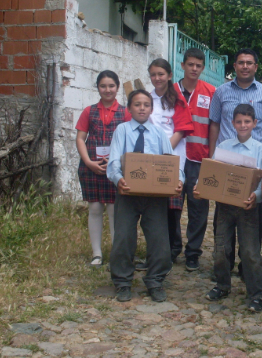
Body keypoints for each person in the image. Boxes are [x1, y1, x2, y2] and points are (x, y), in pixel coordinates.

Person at [209, 48, 262, 272]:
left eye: (249, 63)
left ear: (256, 67)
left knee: (252, 213)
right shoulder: (220, 92)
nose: (245, 66)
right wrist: (212, 157)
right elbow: (214, 124)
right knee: (223, 215)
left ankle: (247, 265)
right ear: (234, 66)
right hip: (226, 161)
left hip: (254, 161)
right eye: (241, 62)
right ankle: (223, 262)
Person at [107, 89, 184, 303]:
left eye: (146, 105)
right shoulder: (122, 130)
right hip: (127, 192)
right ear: (129, 108)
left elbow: (170, 161)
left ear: (151, 109)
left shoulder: (159, 133)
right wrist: (117, 179)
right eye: (137, 104)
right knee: (123, 237)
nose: (142, 108)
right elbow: (114, 160)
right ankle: (123, 282)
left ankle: (155, 280)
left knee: (159, 239)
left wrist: (179, 180)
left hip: (154, 195)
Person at [196, 104, 262, 312]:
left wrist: (255, 197)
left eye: (247, 121)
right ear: (232, 123)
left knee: (249, 251)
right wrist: (202, 188)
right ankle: (222, 284)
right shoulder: (224, 147)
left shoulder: (260, 149)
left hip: (248, 207)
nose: (243, 125)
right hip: (225, 207)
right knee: (221, 248)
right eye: (239, 121)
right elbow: (214, 175)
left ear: (255, 123)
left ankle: (258, 293)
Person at [75, 70, 132, 267]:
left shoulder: (125, 112)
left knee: (114, 210)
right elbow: (80, 138)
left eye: (111, 86)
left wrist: (117, 162)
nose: (107, 90)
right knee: (95, 208)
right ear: (98, 87)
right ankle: (96, 253)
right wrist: (88, 162)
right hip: (91, 166)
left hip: (115, 167)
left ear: (117, 88)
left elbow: (128, 141)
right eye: (103, 86)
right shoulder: (89, 111)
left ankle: (116, 253)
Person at [147, 58, 195, 270]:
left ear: (168, 76)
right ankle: (157, 249)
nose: (157, 78)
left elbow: (182, 129)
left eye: (161, 74)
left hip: (172, 157)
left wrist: (164, 151)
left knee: (172, 208)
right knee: (154, 207)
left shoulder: (176, 100)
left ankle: (174, 248)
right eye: (153, 74)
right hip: (149, 159)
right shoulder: (145, 99)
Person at [173, 48, 216, 272]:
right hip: (175, 158)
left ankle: (193, 253)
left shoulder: (211, 92)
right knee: (172, 206)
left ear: (203, 68)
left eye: (198, 66)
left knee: (199, 208)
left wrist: (213, 157)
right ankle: (172, 248)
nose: (194, 69)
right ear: (182, 65)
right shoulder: (171, 92)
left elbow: (215, 126)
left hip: (201, 158)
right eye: (190, 65)